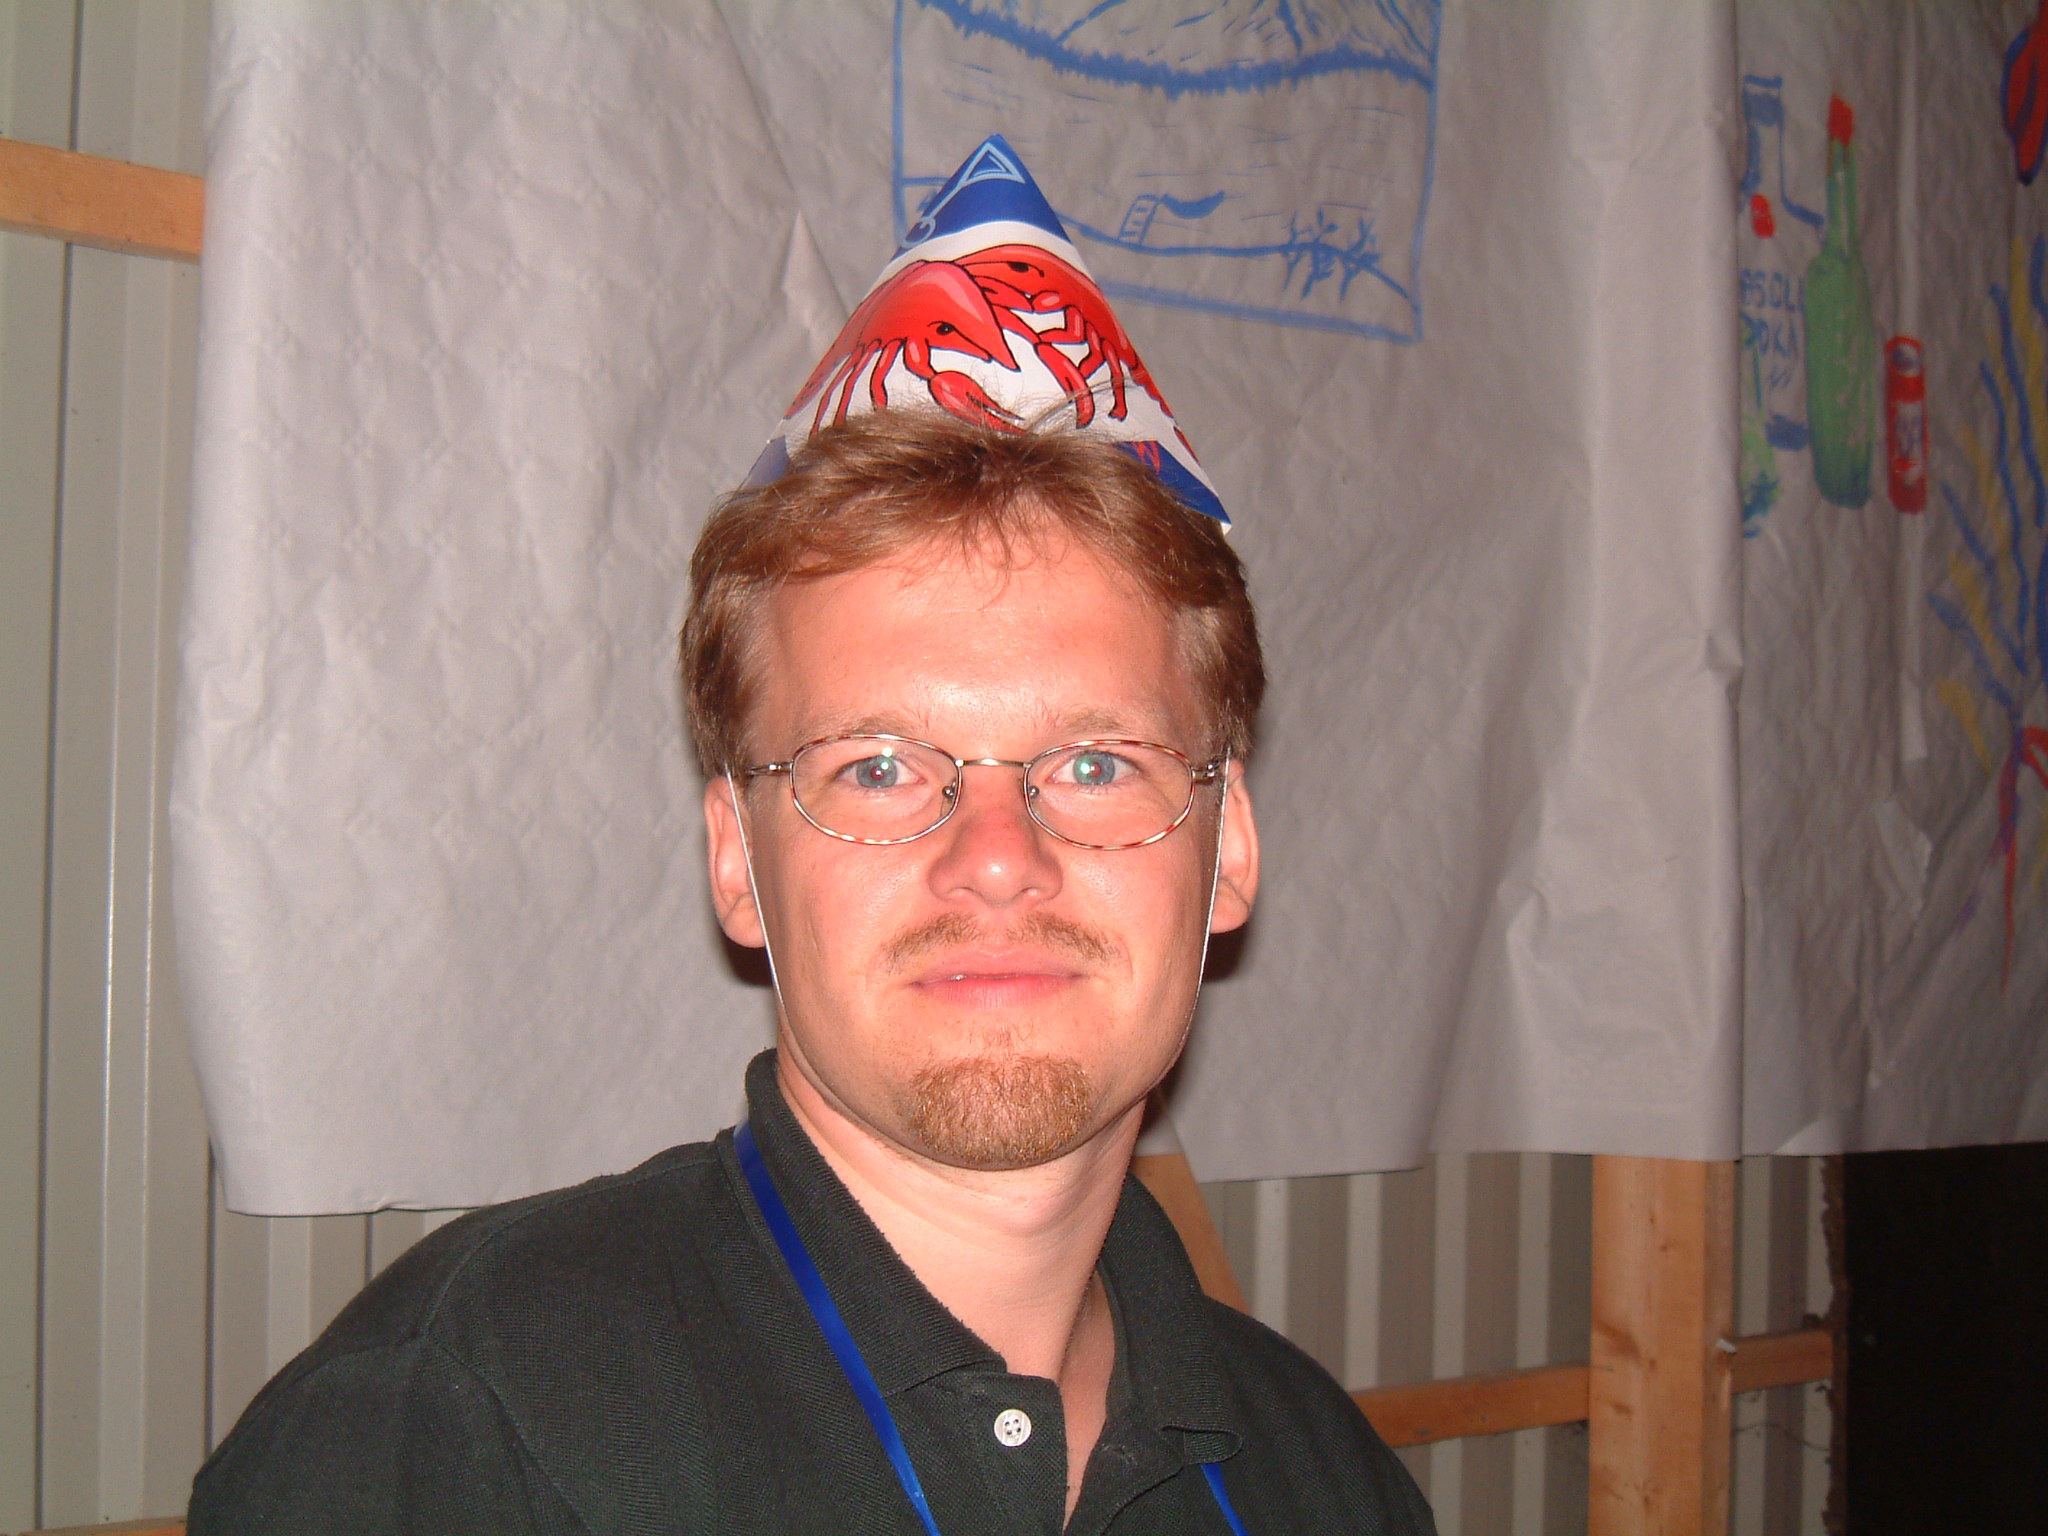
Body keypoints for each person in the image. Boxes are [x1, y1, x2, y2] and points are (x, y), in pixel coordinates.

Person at [189, 140, 1435, 1536]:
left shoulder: (1324, 1476)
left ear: (1231, 847)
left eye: (1094, 764)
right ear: (738, 859)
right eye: (881, 767)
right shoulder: (460, 1430)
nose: (998, 857)